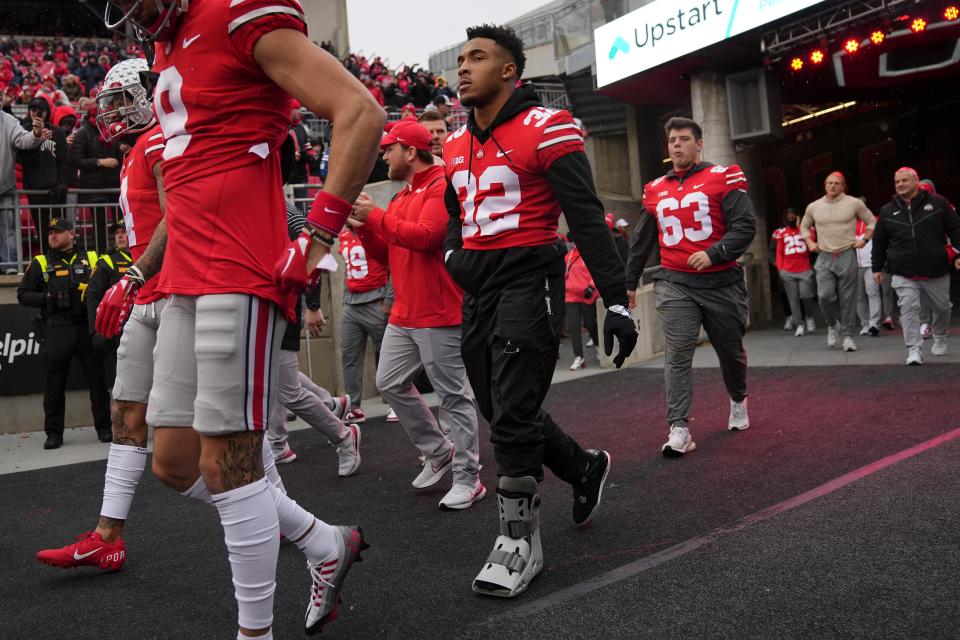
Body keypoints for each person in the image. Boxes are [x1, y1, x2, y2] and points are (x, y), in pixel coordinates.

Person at [83, 2, 385, 638]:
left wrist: (318, 237)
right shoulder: (167, 46)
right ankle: (323, 542)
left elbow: (360, 111)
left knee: (230, 462)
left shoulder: (236, 13)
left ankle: (254, 631)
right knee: (172, 461)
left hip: (237, 263)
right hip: (185, 271)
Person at [442, 24, 637, 598]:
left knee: (512, 417)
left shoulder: (547, 128)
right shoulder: (455, 142)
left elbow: (585, 216)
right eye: (459, 59)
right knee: (503, 410)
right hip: (479, 290)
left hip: (531, 282)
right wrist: (454, 251)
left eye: (477, 58)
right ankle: (583, 468)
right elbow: (456, 207)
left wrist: (618, 301)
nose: (463, 68)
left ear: (509, 71)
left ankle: (518, 541)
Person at [350, 119, 483, 510]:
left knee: (453, 396)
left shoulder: (443, 185)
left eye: (389, 148)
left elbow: (427, 238)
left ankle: (468, 477)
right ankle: (438, 449)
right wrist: (363, 229)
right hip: (406, 311)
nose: (385, 155)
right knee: (389, 381)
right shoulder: (403, 193)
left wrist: (374, 217)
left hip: (439, 311)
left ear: (410, 151)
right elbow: (388, 255)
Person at [625, 116, 756, 457]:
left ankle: (738, 397)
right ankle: (679, 427)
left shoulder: (723, 177)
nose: (677, 145)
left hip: (721, 282)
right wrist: (628, 280)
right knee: (678, 352)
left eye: (684, 139)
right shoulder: (655, 188)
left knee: (730, 351)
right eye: (672, 140)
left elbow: (745, 226)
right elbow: (643, 239)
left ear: (699, 144)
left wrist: (714, 253)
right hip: (675, 282)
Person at [16, 217, 111, 448]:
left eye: (57, 232)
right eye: (50, 233)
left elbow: (108, 287)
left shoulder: (91, 258)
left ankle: (105, 428)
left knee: (97, 381)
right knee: (54, 383)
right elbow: (23, 294)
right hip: (57, 327)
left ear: (72, 233)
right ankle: (54, 434)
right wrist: (47, 298)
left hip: (86, 327)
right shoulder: (40, 262)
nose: (52, 236)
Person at [872, 167, 960, 365]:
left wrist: (957, 253)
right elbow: (879, 241)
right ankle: (914, 349)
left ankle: (939, 335)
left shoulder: (938, 203)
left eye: (905, 180)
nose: (901, 184)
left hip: (935, 269)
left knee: (943, 307)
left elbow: (955, 229)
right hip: (903, 270)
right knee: (908, 309)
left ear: (916, 181)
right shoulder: (888, 210)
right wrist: (876, 268)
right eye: (897, 182)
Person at [801, 171, 875, 352]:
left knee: (848, 299)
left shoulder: (854, 203)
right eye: (829, 183)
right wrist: (810, 241)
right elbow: (804, 225)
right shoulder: (814, 206)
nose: (832, 186)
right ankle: (832, 324)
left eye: (836, 183)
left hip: (847, 253)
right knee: (825, 296)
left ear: (843, 186)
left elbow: (871, 221)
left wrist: (864, 240)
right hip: (824, 255)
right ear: (825, 185)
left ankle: (848, 336)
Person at [337, 221, 392, 424]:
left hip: (375, 300)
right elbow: (347, 271)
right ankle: (355, 407)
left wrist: (388, 299)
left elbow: (392, 264)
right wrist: (344, 298)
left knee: (388, 353)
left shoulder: (375, 231)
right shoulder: (343, 236)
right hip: (352, 304)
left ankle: (396, 402)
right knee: (349, 357)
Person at [85, 220, 132, 392]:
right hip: (117, 332)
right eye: (117, 232)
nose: (119, 235)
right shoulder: (107, 261)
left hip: (144, 324)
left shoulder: (144, 255)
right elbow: (93, 297)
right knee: (119, 383)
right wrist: (95, 331)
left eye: (124, 231)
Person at [70, 104, 123, 252]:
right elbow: (76, 159)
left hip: (113, 185)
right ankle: (101, 255)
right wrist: (100, 162)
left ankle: (122, 253)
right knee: (99, 225)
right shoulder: (83, 133)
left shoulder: (113, 131)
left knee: (121, 223)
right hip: (93, 188)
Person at [19, 97, 69, 250]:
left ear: (47, 112)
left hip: (56, 190)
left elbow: (63, 161)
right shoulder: (23, 131)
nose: (37, 113)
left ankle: (60, 260)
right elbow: (23, 159)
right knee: (42, 230)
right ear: (29, 111)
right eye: (33, 110)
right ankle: (46, 262)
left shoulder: (58, 132)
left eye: (41, 110)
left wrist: (62, 183)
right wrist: (37, 138)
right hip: (36, 189)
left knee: (59, 229)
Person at [0, 108, 43, 272]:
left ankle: (10, 266)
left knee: (9, 230)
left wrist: (36, 134)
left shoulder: (9, 121)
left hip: (5, 188)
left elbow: (23, 141)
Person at [771, 207, 816, 336]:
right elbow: (779, 252)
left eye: (793, 217)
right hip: (788, 270)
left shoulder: (808, 230)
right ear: (785, 219)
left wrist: (800, 226)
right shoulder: (781, 233)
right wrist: (780, 269)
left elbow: (812, 240)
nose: (790, 219)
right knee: (793, 299)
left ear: (798, 217)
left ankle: (809, 317)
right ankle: (799, 324)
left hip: (804, 269)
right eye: (788, 217)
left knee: (806, 295)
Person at [565, 243, 599, 369]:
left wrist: (591, 286)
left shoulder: (590, 254)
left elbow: (596, 272)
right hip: (570, 296)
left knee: (590, 324)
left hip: (587, 295)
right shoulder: (568, 257)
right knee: (574, 327)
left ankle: (598, 345)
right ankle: (578, 356)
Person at [855, 213, 881, 336]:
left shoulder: (874, 221)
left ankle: (874, 324)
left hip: (871, 264)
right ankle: (864, 324)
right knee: (859, 296)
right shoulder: (847, 223)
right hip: (854, 266)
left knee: (872, 292)